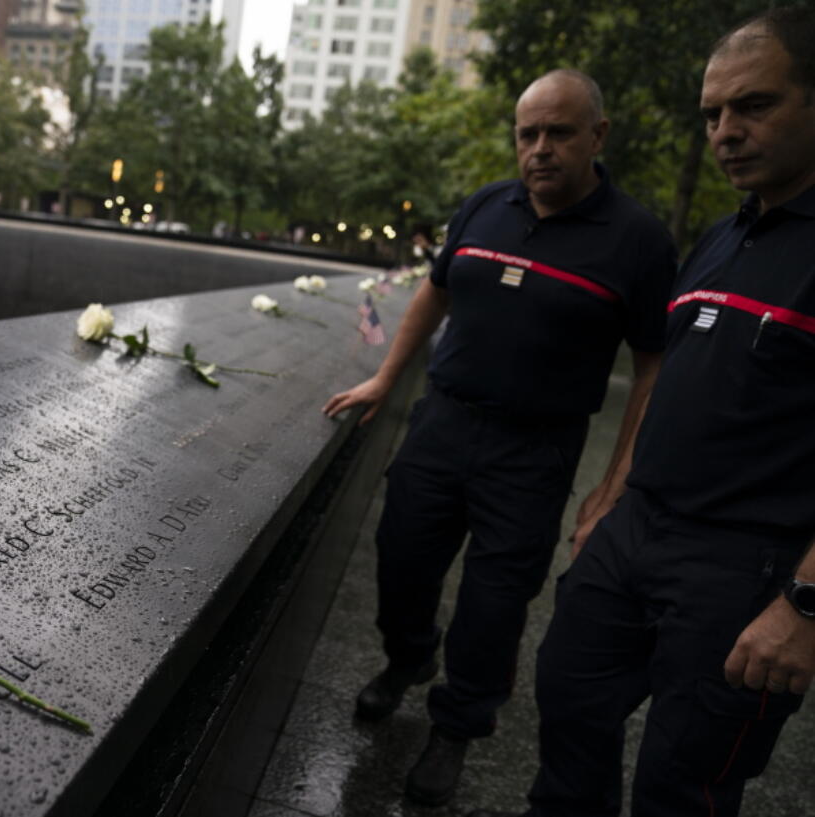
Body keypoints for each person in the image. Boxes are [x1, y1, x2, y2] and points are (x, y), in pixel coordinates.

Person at [467, 8, 815, 817]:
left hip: (748, 565)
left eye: (754, 106)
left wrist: (804, 604)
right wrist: (613, 495)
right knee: (568, 704)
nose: (725, 132)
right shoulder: (723, 236)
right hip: (637, 534)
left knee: (682, 782)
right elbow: (668, 374)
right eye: (712, 114)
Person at [321, 70, 677, 807]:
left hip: (535, 449)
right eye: (528, 134)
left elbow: (653, 365)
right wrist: (388, 377)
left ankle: (456, 725)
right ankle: (409, 655)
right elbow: (436, 289)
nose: (540, 149)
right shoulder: (485, 204)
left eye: (560, 133)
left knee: (496, 600)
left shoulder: (638, 240)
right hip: (443, 421)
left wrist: (614, 483)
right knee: (400, 560)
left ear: (597, 136)